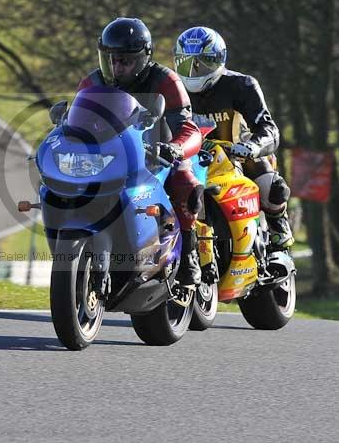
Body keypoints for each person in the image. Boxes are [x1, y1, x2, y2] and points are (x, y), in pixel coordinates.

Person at [78, 17, 204, 291]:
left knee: (186, 182)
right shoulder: (93, 82)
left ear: (144, 58)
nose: (117, 67)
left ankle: (190, 250)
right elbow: (74, 123)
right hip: (109, 156)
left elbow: (188, 127)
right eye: (111, 59)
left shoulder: (166, 80)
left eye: (125, 60)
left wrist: (175, 148)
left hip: (157, 154)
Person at [173, 26, 294, 252]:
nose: (194, 70)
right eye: (187, 62)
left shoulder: (242, 85)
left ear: (219, 59)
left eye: (202, 62)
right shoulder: (173, 88)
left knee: (272, 188)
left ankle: (278, 226)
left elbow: (269, 128)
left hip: (237, 154)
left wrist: (252, 146)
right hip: (190, 158)